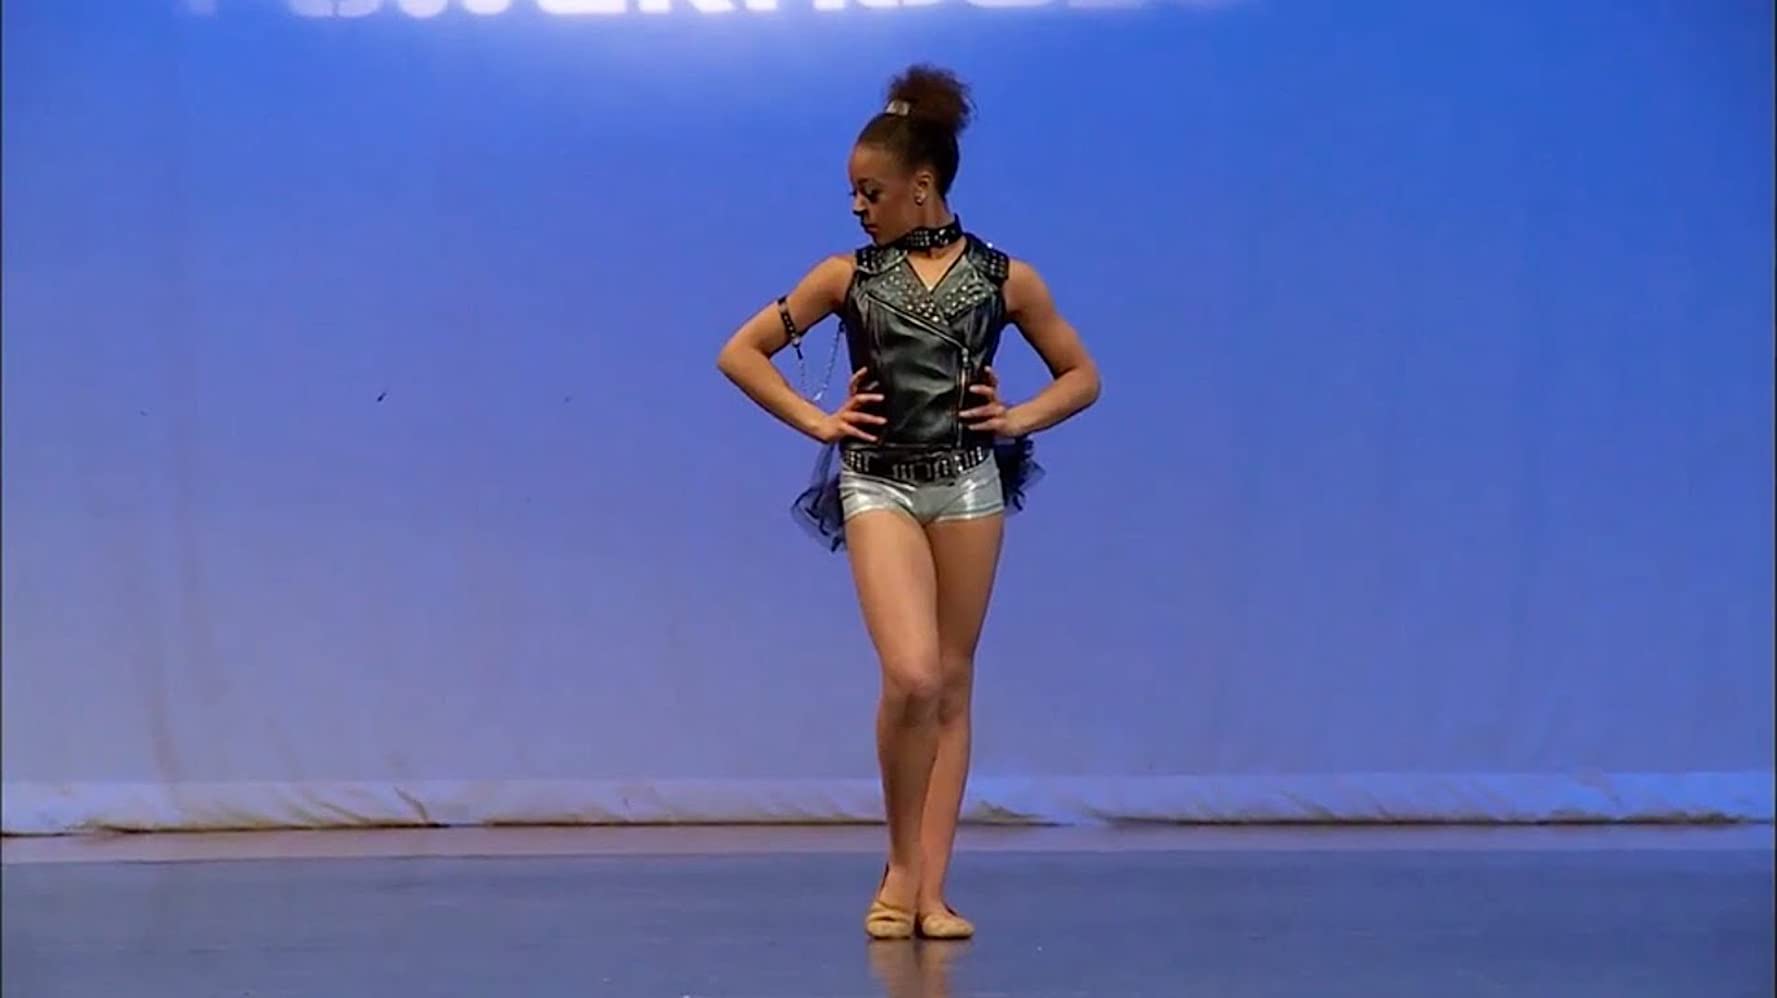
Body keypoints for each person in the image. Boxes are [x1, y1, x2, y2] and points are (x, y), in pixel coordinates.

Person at [716, 64, 1100, 940]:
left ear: (921, 186)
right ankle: (898, 866)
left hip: (968, 483)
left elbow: (1082, 375)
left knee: (952, 683)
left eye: (872, 191)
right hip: (878, 479)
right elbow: (740, 352)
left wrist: (1018, 416)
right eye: (854, 194)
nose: (859, 207)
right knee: (913, 675)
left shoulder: (1004, 278)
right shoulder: (845, 277)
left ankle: (930, 888)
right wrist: (818, 421)